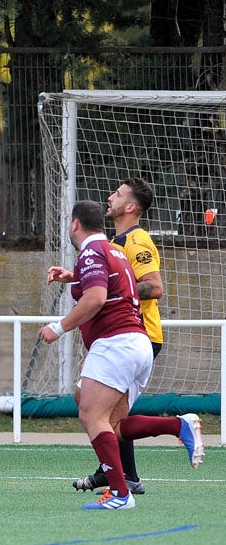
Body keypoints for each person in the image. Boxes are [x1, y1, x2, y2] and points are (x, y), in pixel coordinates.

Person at [39, 200, 204, 510]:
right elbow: (111, 285)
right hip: (136, 343)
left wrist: (58, 328)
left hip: (116, 343)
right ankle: (178, 426)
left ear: (74, 224)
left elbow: (97, 297)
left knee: (91, 415)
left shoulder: (93, 251)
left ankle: (120, 493)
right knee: (112, 424)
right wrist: (73, 277)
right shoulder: (113, 250)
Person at [73, 178, 165, 495]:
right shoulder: (117, 242)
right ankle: (119, 473)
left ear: (130, 207)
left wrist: (119, 294)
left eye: (118, 194)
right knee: (93, 403)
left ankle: (122, 476)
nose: (109, 197)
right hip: (123, 337)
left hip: (137, 335)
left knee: (104, 411)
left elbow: (154, 287)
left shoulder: (137, 241)